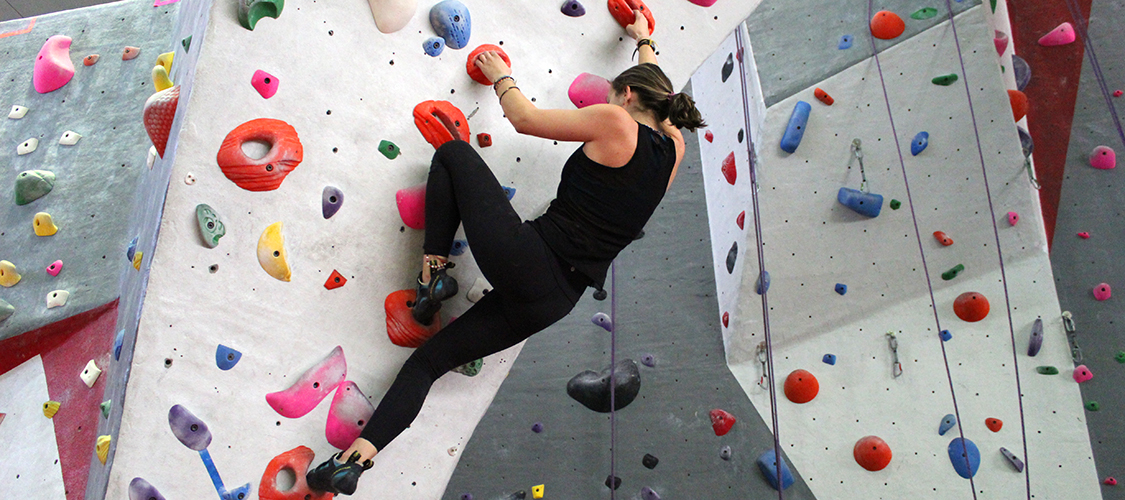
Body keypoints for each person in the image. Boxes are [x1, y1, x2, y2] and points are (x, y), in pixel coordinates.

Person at [307, 9, 706, 495]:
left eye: (613, 96)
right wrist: (644, 41)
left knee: (453, 155)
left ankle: (433, 273)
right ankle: (352, 463)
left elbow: (524, 118)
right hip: (556, 300)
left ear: (625, 97)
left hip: (530, 256)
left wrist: (501, 76)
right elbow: (658, 98)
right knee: (427, 364)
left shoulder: (616, 122)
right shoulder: (674, 151)